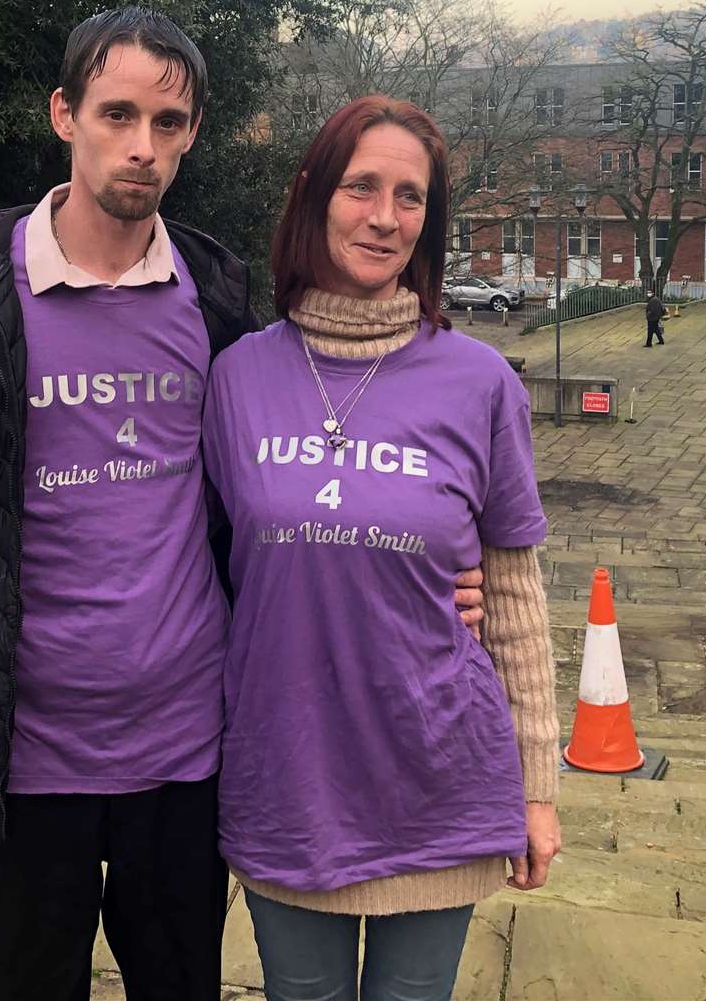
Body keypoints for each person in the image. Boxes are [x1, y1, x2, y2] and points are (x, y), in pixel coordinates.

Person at [0, 10, 487, 1001]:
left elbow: (291, 471)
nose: (141, 145)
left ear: (190, 134)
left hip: (183, 759)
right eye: (117, 113)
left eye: (168, 122)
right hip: (11, 761)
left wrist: (431, 572)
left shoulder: (216, 297)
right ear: (64, 113)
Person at [201, 96, 561, 1001]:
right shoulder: (237, 376)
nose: (385, 216)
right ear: (315, 197)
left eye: (410, 197)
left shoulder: (477, 381)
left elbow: (513, 596)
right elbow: (205, 567)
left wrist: (537, 788)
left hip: (439, 777)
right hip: (287, 778)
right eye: (362, 186)